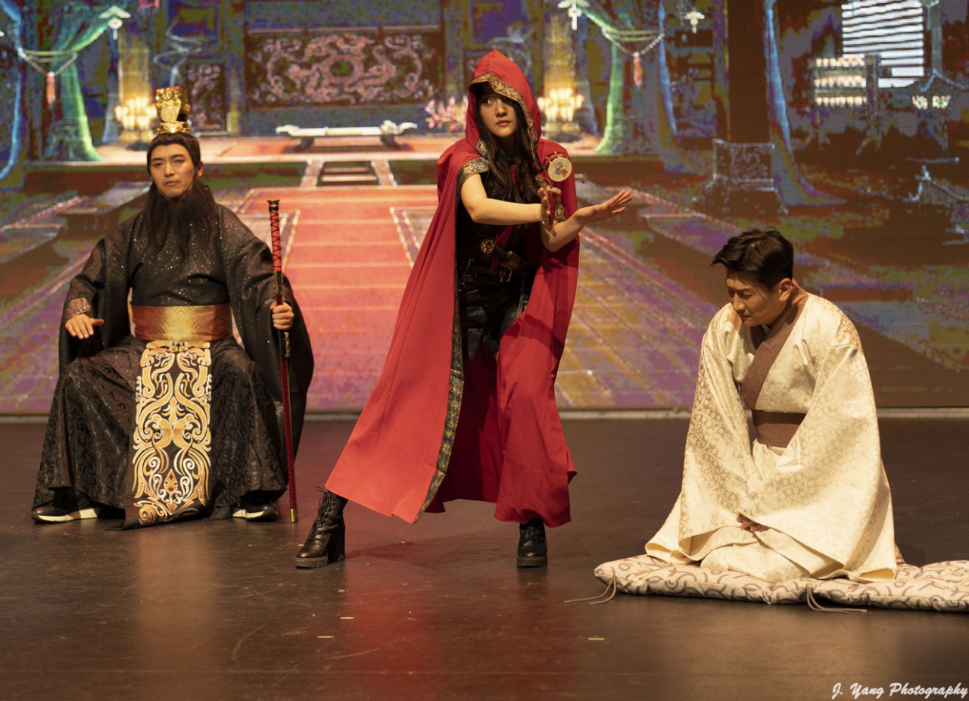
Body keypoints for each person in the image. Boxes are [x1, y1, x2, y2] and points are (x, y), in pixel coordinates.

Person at [295, 50, 631, 568]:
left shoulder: (549, 160)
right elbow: (478, 207)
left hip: (517, 299)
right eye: (487, 100)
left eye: (507, 98)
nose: (498, 109)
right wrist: (539, 209)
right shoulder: (462, 158)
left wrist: (579, 218)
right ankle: (331, 513)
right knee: (402, 408)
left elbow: (550, 238)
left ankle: (531, 524)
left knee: (528, 400)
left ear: (524, 102)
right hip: (458, 302)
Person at [31, 88, 313, 528]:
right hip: (143, 348)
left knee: (243, 374)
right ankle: (85, 493)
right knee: (79, 379)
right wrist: (79, 309)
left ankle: (250, 493)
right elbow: (91, 279)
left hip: (212, 346)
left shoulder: (224, 224)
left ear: (198, 168)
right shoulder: (133, 230)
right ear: (150, 173)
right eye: (158, 164)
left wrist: (278, 309)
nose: (168, 171)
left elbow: (259, 277)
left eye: (177, 161)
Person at [644, 228, 897, 583]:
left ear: (784, 288)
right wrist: (744, 495)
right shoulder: (725, 326)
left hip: (823, 476)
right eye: (731, 292)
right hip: (758, 467)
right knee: (717, 554)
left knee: (777, 565)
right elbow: (714, 424)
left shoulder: (829, 327)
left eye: (746, 294)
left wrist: (774, 502)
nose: (736, 305)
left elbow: (843, 431)